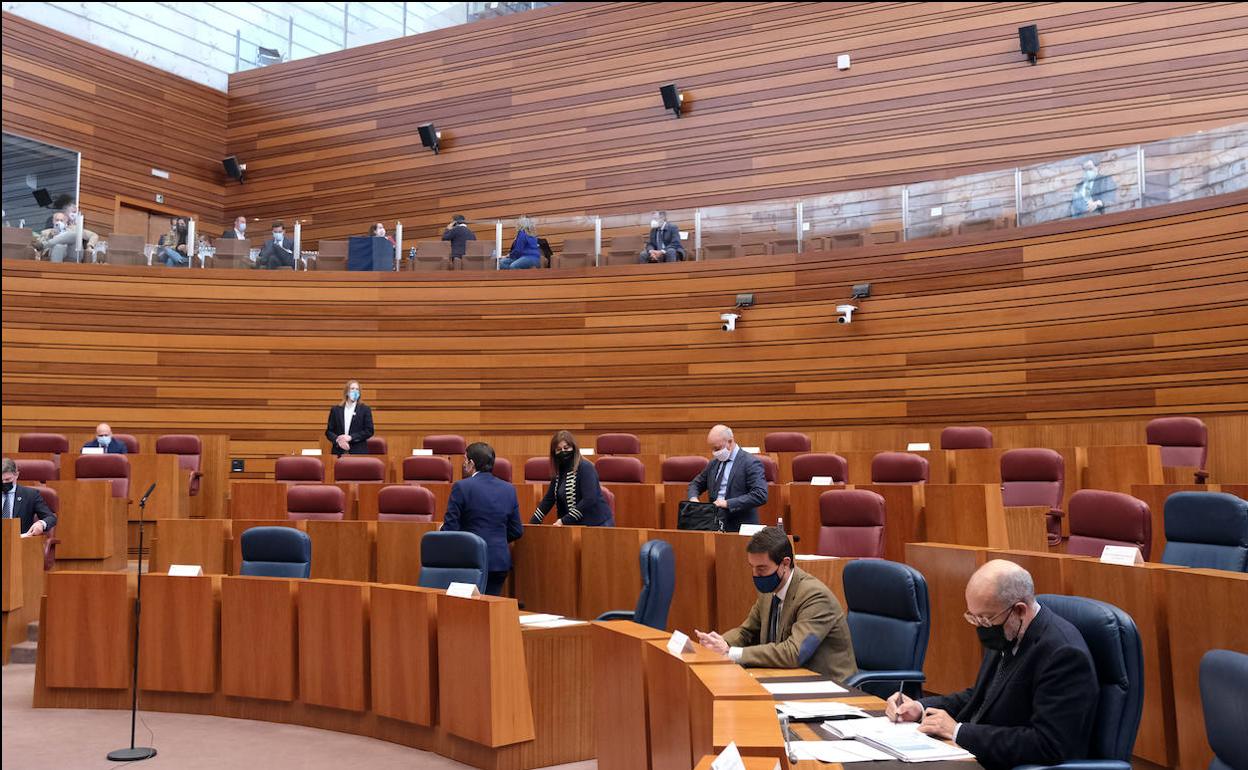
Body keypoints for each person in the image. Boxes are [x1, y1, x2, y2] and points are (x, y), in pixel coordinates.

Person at [885, 560, 1098, 770]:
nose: (981, 627)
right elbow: (980, 697)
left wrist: (958, 732)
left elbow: (1048, 745)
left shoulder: (1063, 654)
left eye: (985, 619)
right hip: (974, 755)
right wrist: (920, 708)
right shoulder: (1008, 631)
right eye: (974, 617)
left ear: (1020, 610)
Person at [695, 526, 856, 681]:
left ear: (785, 563)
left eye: (762, 569)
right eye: (752, 568)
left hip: (827, 685)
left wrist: (731, 652)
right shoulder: (770, 592)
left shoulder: (815, 597)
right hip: (787, 678)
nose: (756, 575)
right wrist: (720, 643)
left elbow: (794, 653)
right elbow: (746, 632)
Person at [441, 442, 524, 596]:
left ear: (472, 463)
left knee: (468, 612)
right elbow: (517, 530)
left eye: (465, 460)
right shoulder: (508, 489)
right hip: (498, 562)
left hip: (469, 562)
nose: (464, 464)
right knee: (490, 612)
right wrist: (495, 539)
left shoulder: (461, 487)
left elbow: (450, 529)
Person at [686, 424, 767, 532]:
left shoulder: (750, 462)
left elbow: (760, 495)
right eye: (713, 449)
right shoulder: (713, 464)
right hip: (713, 524)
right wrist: (693, 499)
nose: (715, 452)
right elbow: (695, 484)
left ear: (730, 441)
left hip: (740, 526)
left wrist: (727, 503)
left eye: (717, 448)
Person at [530, 430, 613, 526]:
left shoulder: (585, 467)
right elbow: (549, 498)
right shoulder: (559, 470)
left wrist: (563, 521)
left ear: (574, 448)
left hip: (596, 525)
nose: (563, 452)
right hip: (574, 525)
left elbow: (589, 499)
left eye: (566, 448)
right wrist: (534, 521)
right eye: (559, 449)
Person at [2, 458, 57, 537]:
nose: (4, 483)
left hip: (20, 542)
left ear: (16, 475)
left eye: (7, 479)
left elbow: (50, 517)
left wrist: (41, 524)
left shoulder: (30, 495)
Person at [324, 379, 374, 456]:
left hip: (358, 451)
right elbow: (329, 432)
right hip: (338, 451)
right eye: (352, 389)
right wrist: (338, 440)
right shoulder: (336, 410)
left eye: (357, 389)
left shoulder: (365, 409)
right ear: (347, 392)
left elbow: (369, 431)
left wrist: (351, 437)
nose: (355, 391)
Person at [32, 209, 99, 263]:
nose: (59, 222)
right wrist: (50, 236)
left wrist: (89, 246)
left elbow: (94, 235)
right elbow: (38, 249)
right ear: (53, 221)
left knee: (74, 235)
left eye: (61, 220)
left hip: (72, 254)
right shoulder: (46, 232)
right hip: (55, 254)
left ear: (66, 221)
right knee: (59, 246)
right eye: (57, 220)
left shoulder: (74, 229)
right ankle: (55, 271)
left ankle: (45, 244)